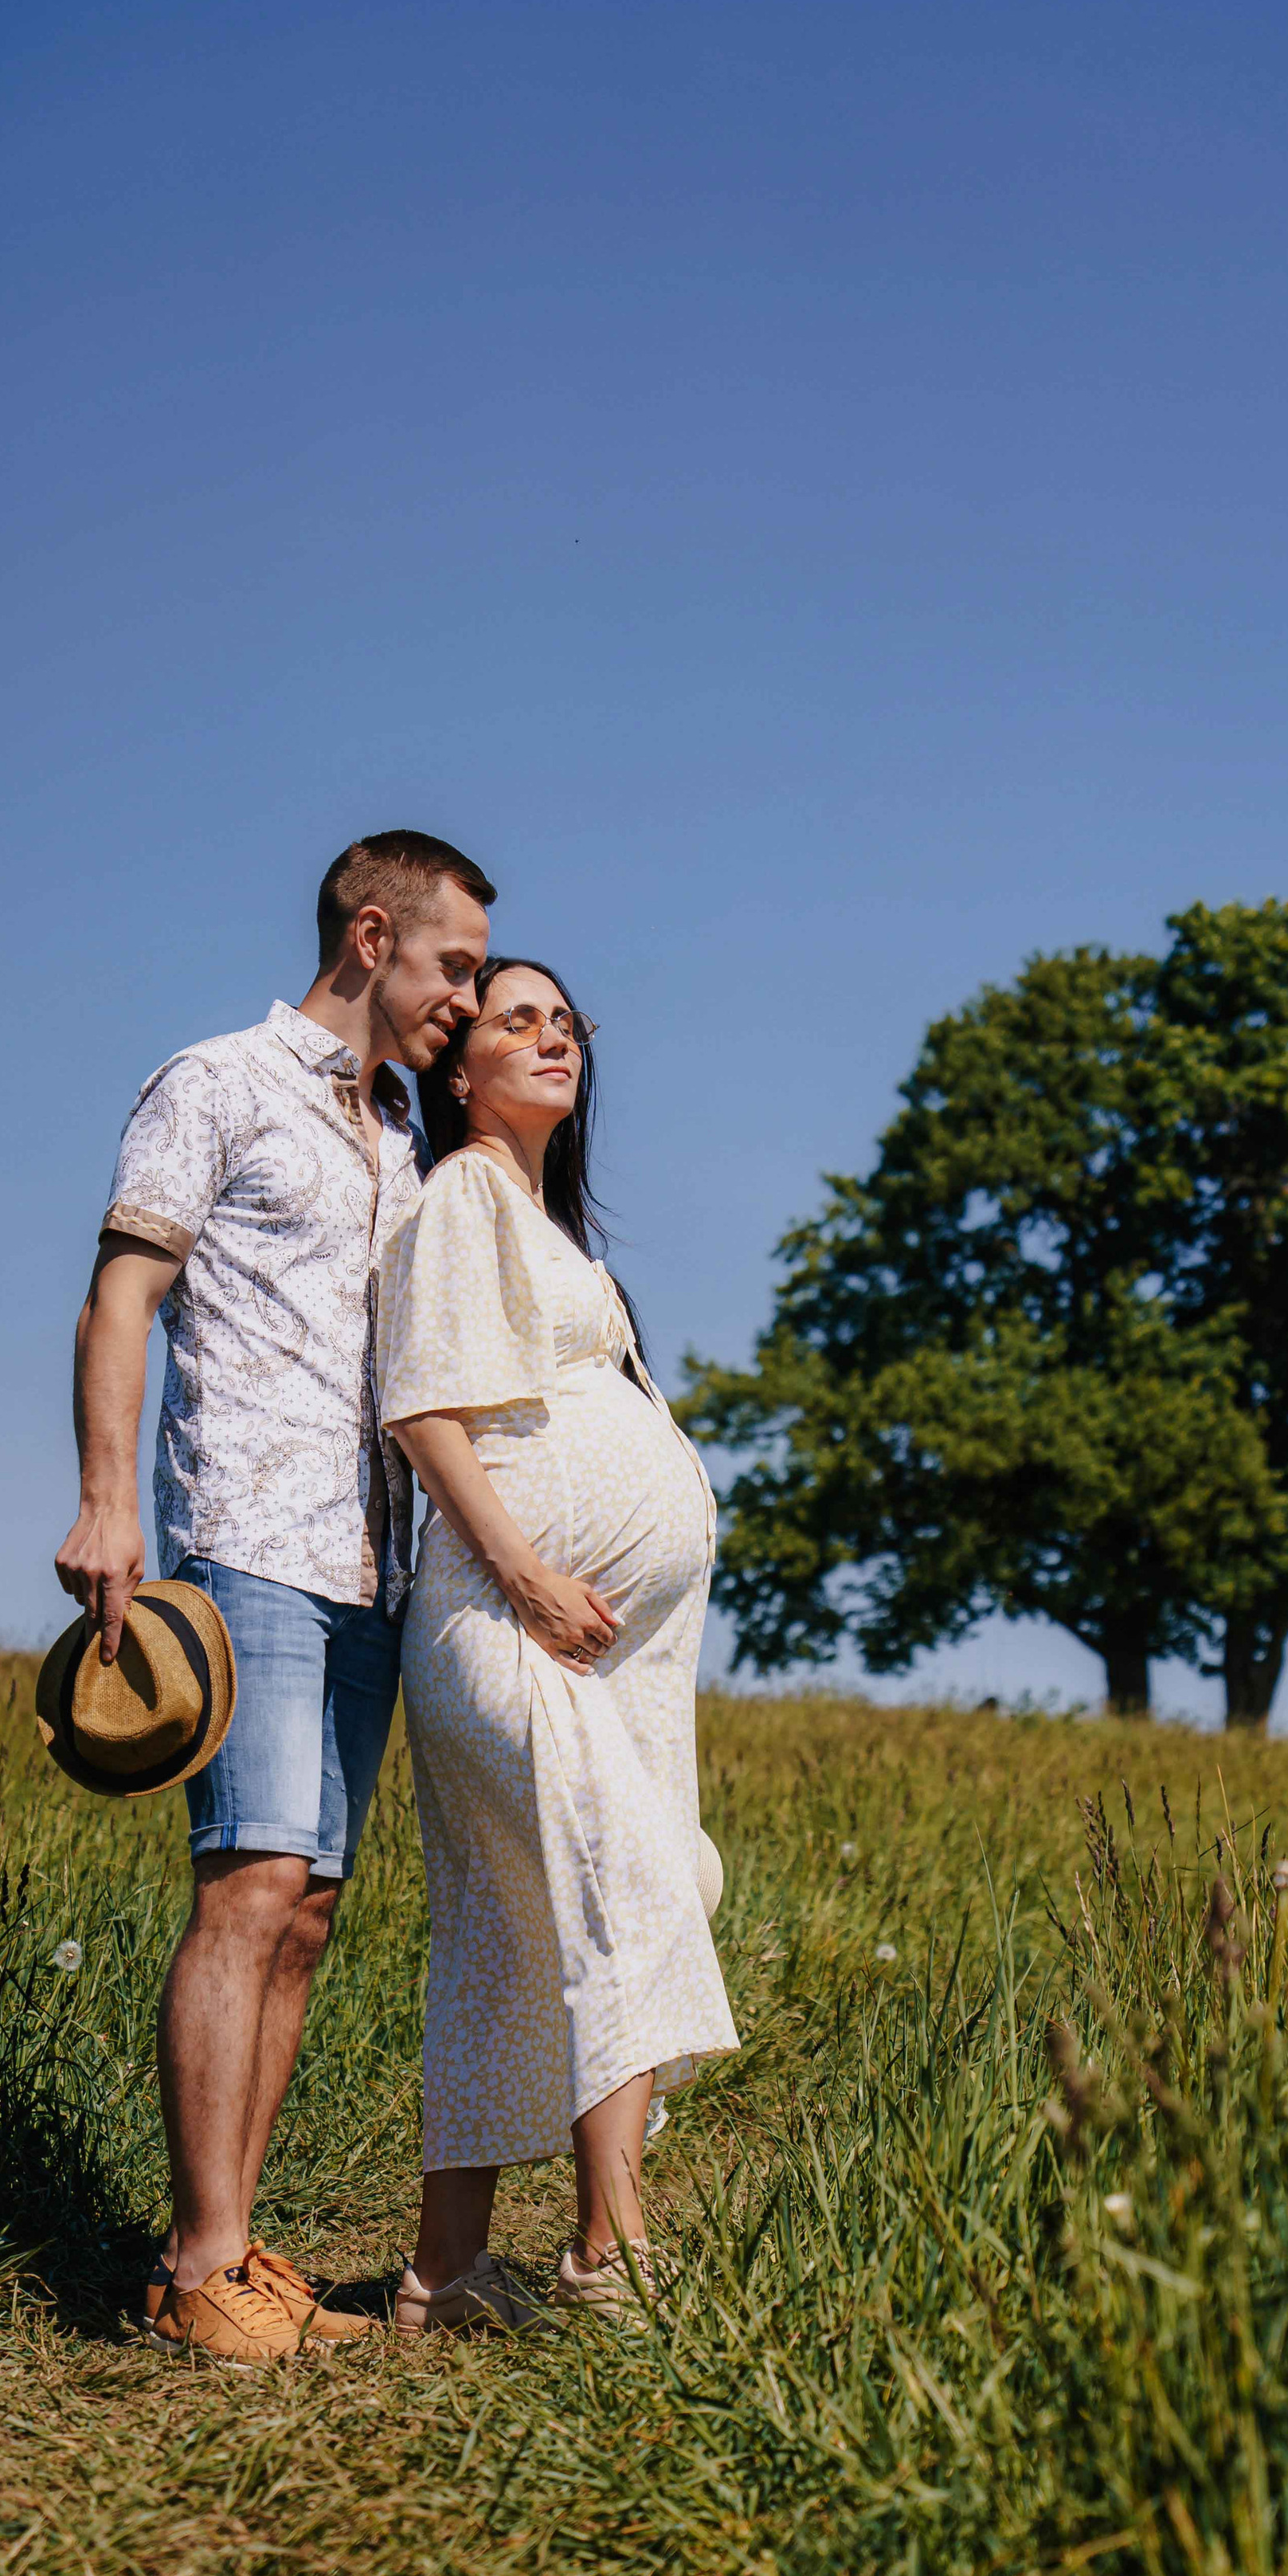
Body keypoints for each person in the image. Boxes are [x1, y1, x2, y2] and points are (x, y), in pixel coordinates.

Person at [53, 830, 495, 2364]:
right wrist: (109, 1500)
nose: (467, 997)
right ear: (371, 937)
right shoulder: (216, 1083)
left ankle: (232, 2248)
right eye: (453, 966)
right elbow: (123, 1295)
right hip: (247, 1545)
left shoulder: (409, 1135)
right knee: (247, 1886)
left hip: (377, 1565)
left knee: (306, 1911)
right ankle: (195, 2268)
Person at [374, 957, 739, 2331]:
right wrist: (528, 1576)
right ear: (459, 1070)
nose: (552, 1037)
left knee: (513, 1933)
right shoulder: (464, 1193)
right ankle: (610, 2256)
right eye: (515, 1019)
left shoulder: (545, 1225)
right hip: (502, 1617)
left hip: (598, 1645)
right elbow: (424, 1410)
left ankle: (444, 2275)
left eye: (567, 1022)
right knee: (632, 1879)